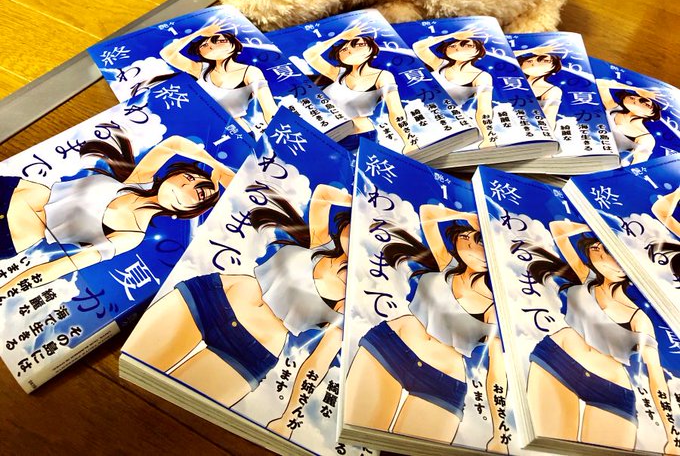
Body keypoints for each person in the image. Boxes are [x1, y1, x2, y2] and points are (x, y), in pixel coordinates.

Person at [123, 183, 352, 430]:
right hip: (211, 297)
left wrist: (288, 419)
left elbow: (318, 362)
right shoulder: (321, 243)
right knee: (131, 367)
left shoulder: (347, 304)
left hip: (249, 353)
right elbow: (323, 194)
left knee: (169, 421)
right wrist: (360, 207)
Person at [344, 205, 508, 451]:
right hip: (390, 346)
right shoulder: (447, 265)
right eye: (464, 238)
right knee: (354, 441)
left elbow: (497, 370)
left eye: (478, 242)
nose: (467, 245)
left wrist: (499, 432)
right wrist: (468, 218)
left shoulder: (495, 306)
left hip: (441, 381)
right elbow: (428, 215)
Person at [0, 127, 233, 294]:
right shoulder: (138, 180)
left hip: (10, 234)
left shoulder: (130, 236)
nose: (185, 186)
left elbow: (58, 267)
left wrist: (5, 291)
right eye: (189, 178)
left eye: (199, 194)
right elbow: (174, 144)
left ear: (190, 212)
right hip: (12, 190)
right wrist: (217, 167)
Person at [525, 219, 679, 454]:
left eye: (606, 250)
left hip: (610, 390)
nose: (597, 252)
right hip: (556, 360)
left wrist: (672, 434)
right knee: (546, 450)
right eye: (595, 248)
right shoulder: (585, 277)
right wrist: (596, 227)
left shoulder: (639, 319)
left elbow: (656, 377)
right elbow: (558, 228)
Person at [302, 25, 416, 153]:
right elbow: (310, 55)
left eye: (359, 45)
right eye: (344, 48)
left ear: (372, 50)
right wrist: (340, 36)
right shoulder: (338, 73)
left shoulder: (383, 76)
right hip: (328, 134)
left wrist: (408, 141)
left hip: (360, 137)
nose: (349, 49)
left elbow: (395, 111)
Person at [160, 18, 278, 135]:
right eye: (204, 45)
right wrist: (198, 33)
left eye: (220, 41)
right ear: (200, 52)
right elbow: (167, 53)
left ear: (234, 44)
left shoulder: (250, 72)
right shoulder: (200, 69)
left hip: (236, 133)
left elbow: (269, 109)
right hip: (201, 130)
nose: (211, 46)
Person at [412, 29, 495, 148]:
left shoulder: (482, 76)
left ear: (479, 51)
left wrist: (487, 137)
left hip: (450, 120)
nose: (458, 48)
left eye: (467, 45)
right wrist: (452, 35)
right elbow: (418, 47)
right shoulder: (440, 64)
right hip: (420, 113)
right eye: (453, 45)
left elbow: (484, 108)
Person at [596, 79, 662, 164]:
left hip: (605, 163)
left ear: (651, 115)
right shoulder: (614, 109)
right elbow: (600, 83)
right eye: (636, 97)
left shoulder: (646, 138)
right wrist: (636, 89)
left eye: (646, 104)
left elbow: (637, 165)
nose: (637, 99)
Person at [515, 45, 563, 132]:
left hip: (534, 132)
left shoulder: (552, 90)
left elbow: (550, 119)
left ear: (554, 66)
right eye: (529, 61)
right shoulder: (514, 83)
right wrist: (531, 50)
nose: (535, 64)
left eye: (545, 61)